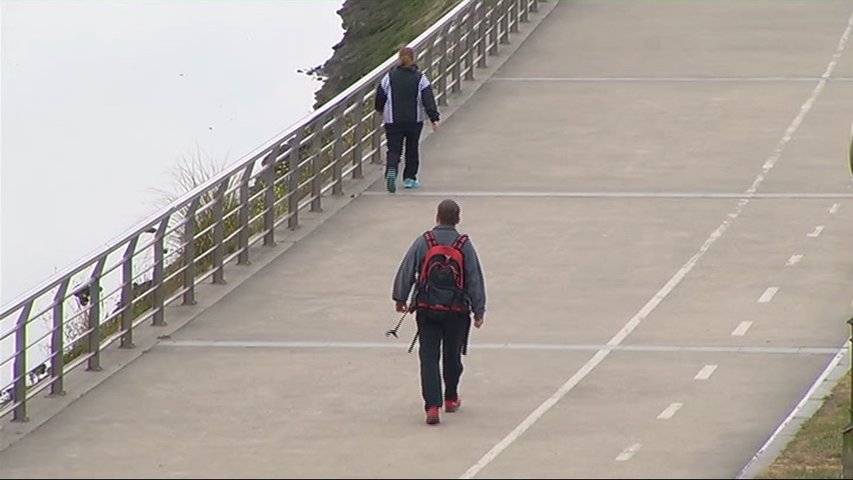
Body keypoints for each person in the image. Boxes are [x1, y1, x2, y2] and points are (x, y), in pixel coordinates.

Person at [392, 199, 486, 425]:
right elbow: (474, 279)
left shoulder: (425, 241)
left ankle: (432, 406)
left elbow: (407, 268)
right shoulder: (464, 245)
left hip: (427, 308)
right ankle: (451, 398)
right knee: (452, 354)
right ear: (458, 219)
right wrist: (479, 310)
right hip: (457, 310)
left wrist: (400, 297)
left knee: (428, 356)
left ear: (437, 217)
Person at [374, 46, 441, 193]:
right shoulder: (420, 78)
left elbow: (380, 95)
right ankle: (410, 178)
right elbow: (428, 99)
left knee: (394, 149)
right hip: (414, 120)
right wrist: (434, 118)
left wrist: (379, 109)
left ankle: (392, 170)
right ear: (413, 58)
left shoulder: (389, 77)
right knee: (412, 148)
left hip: (393, 119)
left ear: (399, 58)